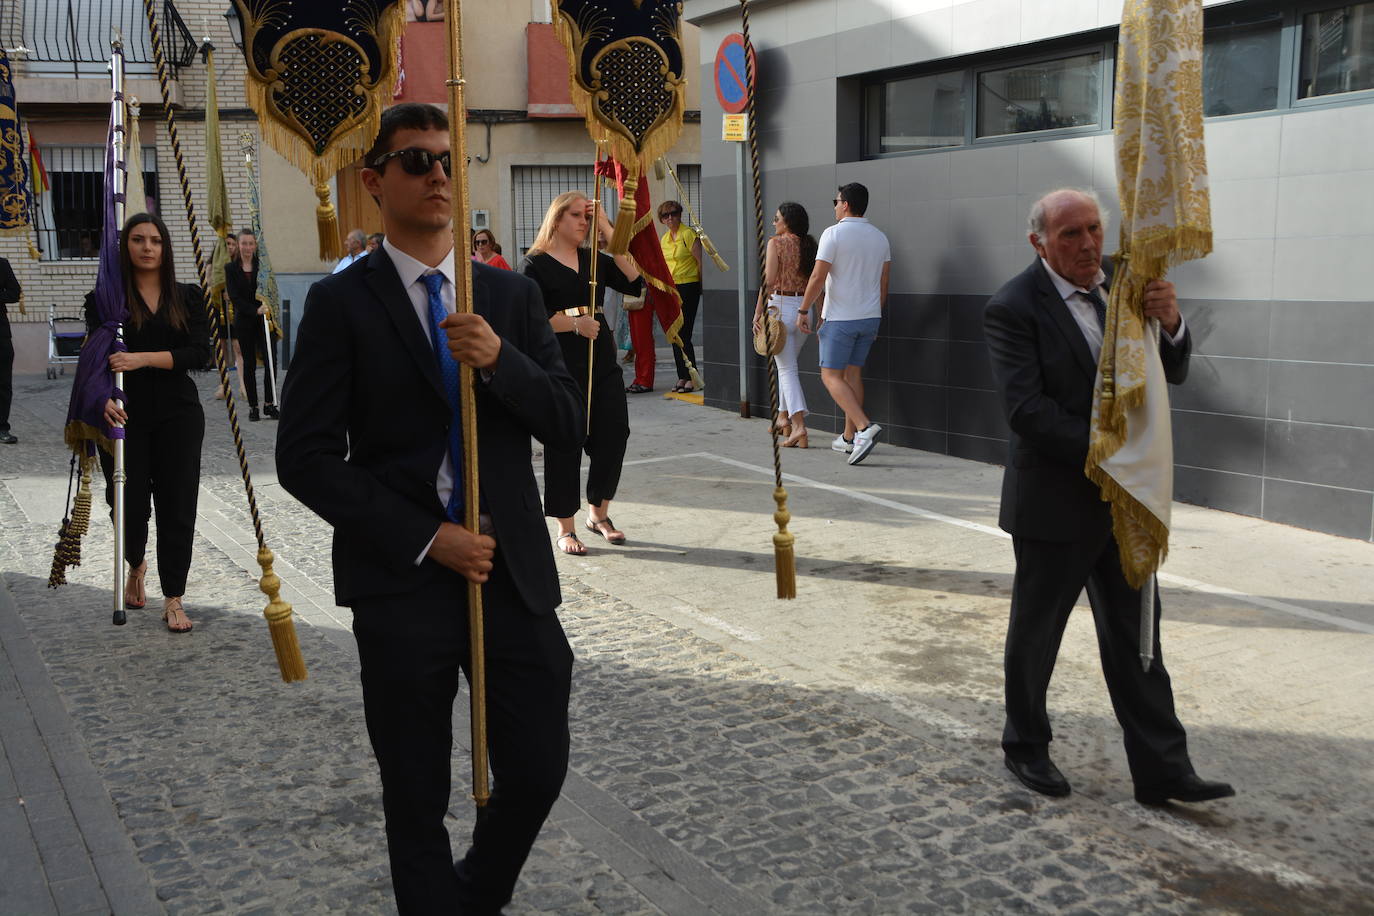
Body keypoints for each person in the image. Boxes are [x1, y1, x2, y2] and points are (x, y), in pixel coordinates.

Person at [275, 102, 583, 915]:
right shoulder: (342, 304)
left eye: (447, 159)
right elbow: (302, 458)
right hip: (403, 579)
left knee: (540, 764)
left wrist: (499, 360)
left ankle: (475, 895)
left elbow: (565, 420)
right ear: (375, 182)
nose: (439, 174)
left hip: (508, 572)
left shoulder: (509, 297)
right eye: (416, 160)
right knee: (414, 791)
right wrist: (425, 538)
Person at [984, 188, 1234, 806]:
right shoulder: (1013, 307)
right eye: (1069, 234)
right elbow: (1027, 411)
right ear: (1038, 242)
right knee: (1037, 633)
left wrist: (1171, 322)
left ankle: (1163, 769)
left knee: (1139, 636)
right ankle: (1027, 748)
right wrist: (1114, 455)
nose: (1088, 244)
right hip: (1054, 500)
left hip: (1126, 505)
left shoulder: (1127, 282)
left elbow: (1167, 369)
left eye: (1093, 228)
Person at [87, 212, 210, 632]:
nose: (146, 247)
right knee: (128, 504)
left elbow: (200, 355)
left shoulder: (187, 296)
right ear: (126, 247)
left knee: (178, 506)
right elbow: (92, 363)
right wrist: (101, 398)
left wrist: (140, 359)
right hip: (125, 415)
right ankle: (135, 562)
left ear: (165, 248)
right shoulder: (106, 300)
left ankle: (173, 596)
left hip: (179, 414)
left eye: (155, 240)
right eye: (138, 240)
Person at [521, 191, 643, 555]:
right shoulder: (534, 264)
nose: (583, 222)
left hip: (601, 360)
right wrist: (574, 325)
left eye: (587, 218)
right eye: (576, 216)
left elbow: (635, 282)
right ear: (556, 219)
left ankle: (599, 515)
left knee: (614, 434)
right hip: (559, 363)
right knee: (565, 441)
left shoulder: (594, 260)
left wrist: (608, 225)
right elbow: (531, 318)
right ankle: (565, 527)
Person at [796, 182, 890, 466]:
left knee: (830, 377)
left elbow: (816, 277)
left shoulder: (833, 234)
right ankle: (848, 438)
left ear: (845, 204)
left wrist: (803, 310)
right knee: (852, 375)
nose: (835, 206)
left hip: (841, 318)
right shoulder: (880, 237)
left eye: (836, 201)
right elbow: (884, 283)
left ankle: (863, 428)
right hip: (870, 316)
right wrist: (876, 313)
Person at [752, 202, 816, 448]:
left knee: (787, 370)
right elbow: (815, 280)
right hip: (804, 309)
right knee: (787, 366)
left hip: (779, 307)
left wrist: (757, 312)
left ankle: (799, 426)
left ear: (787, 220)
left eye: (777, 218)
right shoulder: (809, 244)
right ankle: (782, 418)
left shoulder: (775, 243)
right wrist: (819, 313)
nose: (774, 222)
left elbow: (768, 280)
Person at [224, 228, 278, 420]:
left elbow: (270, 288)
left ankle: (269, 404)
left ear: (255, 245)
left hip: (264, 321)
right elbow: (235, 297)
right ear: (238, 245)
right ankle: (253, 406)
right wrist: (254, 310)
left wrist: (265, 308)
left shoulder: (262, 266)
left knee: (271, 361)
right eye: (244, 243)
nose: (247, 247)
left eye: (250, 243)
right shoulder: (230, 269)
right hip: (245, 321)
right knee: (249, 364)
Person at [653, 199, 702, 393]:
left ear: (680, 214)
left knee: (685, 334)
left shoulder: (688, 234)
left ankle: (692, 376)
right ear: (662, 219)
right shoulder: (664, 239)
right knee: (674, 335)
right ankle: (682, 375)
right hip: (672, 289)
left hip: (689, 286)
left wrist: (700, 286)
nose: (670, 218)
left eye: (673, 213)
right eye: (666, 215)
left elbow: (700, 262)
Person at [0, 255, 20, 444]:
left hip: (1, 334)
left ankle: (2, 427)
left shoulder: (2, 264)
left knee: (3, 383)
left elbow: (15, 293)